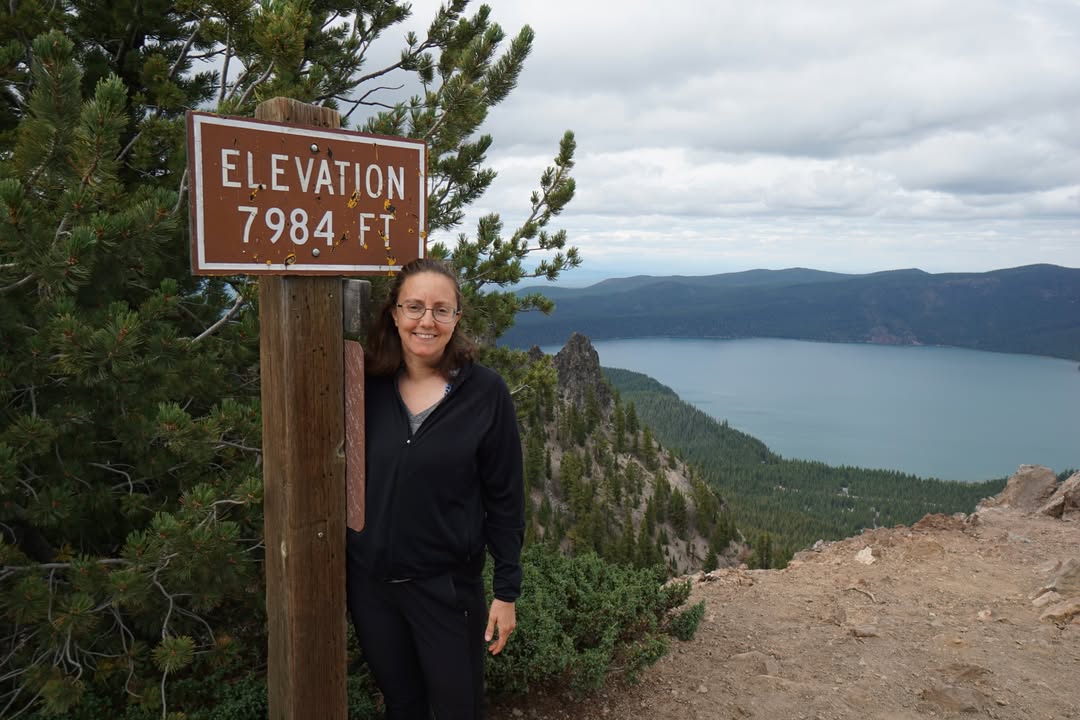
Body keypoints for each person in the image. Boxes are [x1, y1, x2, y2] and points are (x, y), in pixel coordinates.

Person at [346, 257, 525, 720]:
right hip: (371, 589)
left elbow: (506, 499)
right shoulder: (366, 385)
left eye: (441, 310)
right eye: (414, 307)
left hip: (446, 591)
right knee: (403, 705)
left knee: (458, 709)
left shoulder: (485, 394)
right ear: (394, 314)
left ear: (456, 319)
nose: (427, 321)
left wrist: (506, 592)